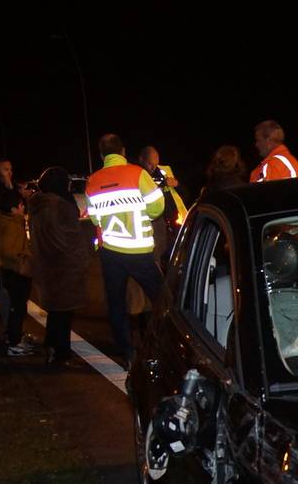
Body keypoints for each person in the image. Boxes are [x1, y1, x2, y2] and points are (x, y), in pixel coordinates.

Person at [85, 132, 166, 364]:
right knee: (162, 297)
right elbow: (157, 207)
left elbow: (93, 218)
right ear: (122, 152)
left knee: (116, 302)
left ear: (101, 155)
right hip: (139, 251)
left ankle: (127, 351)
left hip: (111, 252)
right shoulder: (137, 173)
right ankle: (163, 342)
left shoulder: (93, 180)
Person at [29, 166, 98, 367]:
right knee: (64, 313)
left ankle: (51, 346)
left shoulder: (38, 206)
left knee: (55, 310)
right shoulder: (61, 206)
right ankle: (62, 354)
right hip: (65, 265)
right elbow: (72, 237)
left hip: (46, 263)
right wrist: (84, 258)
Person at [0, 189, 35, 356]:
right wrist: (25, 257)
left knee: (17, 307)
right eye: (20, 205)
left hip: (11, 270)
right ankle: (14, 344)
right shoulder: (10, 225)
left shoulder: (7, 221)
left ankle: (15, 338)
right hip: (15, 271)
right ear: (12, 209)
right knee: (17, 308)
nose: (23, 207)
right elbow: (8, 250)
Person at [138, 145, 187, 261]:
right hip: (153, 226)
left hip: (173, 226)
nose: (153, 168)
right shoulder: (138, 176)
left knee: (177, 257)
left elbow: (185, 194)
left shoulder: (164, 172)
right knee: (156, 258)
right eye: (150, 164)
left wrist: (176, 184)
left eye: (155, 164)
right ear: (141, 160)